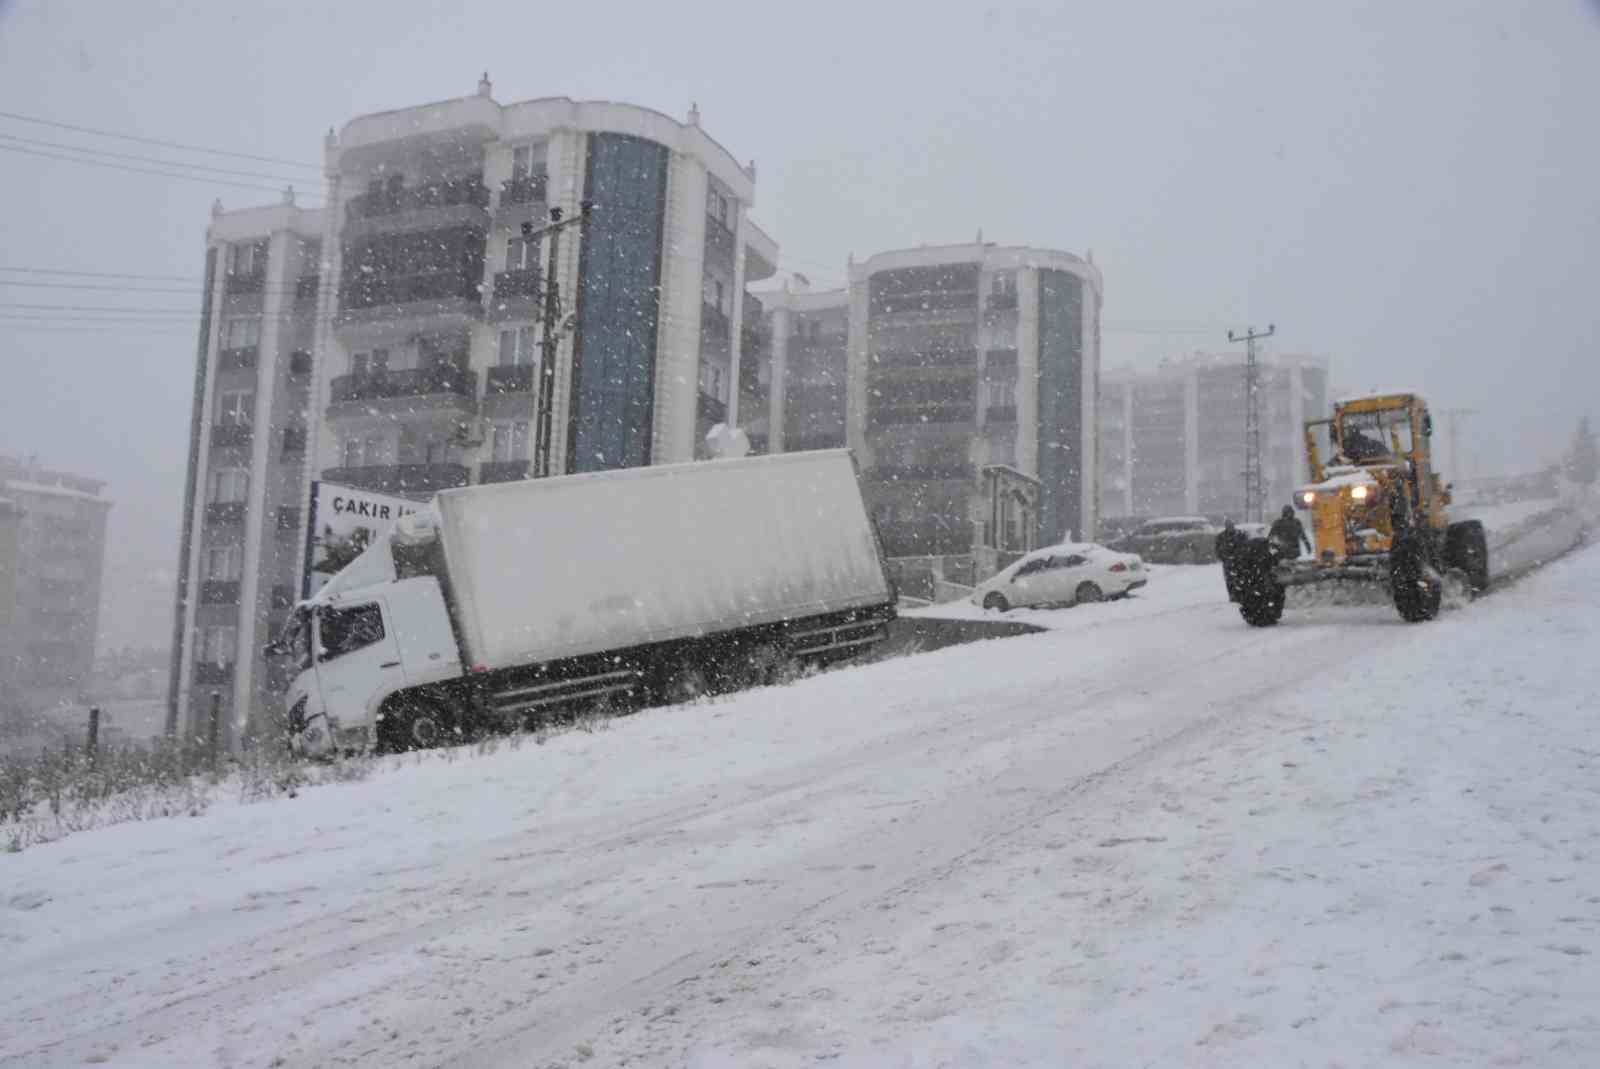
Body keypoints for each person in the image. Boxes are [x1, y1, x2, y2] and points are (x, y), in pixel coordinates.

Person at [1214, 518, 1246, 601]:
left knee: (1241, 579)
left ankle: (1240, 595)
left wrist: (1242, 557)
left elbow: (1247, 546)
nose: (1230, 527)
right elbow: (1217, 549)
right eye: (1228, 525)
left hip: (1239, 562)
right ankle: (1232, 596)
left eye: (1231, 525)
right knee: (1229, 581)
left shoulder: (1241, 534)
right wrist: (1224, 558)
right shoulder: (1221, 536)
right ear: (1226, 526)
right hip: (1228, 562)